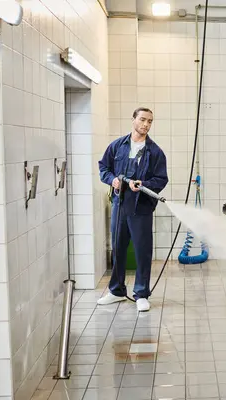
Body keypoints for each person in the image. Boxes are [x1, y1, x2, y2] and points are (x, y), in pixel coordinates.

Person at [97, 107, 169, 312]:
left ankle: (141, 294)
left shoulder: (155, 152)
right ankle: (117, 291)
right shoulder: (117, 146)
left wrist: (143, 183)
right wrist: (113, 181)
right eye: (143, 120)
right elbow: (104, 168)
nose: (146, 125)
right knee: (118, 248)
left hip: (141, 208)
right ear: (133, 120)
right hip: (120, 205)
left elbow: (161, 178)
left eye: (150, 122)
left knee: (142, 251)